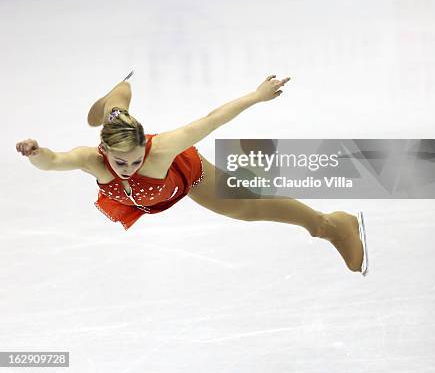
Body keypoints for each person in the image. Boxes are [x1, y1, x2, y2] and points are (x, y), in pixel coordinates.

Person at [16, 71, 368, 275]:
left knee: (246, 208)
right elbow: (54, 161)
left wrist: (257, 96)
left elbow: (212, 119)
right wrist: (35, 152)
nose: (128, 169)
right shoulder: (91, 159)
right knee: (116, 110)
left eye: (136, 160)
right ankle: (117, 94)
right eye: (120, 162)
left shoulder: (164, 148)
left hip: (186, 175)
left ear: (145, 147)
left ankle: (331, 225)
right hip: (136, 174)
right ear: (104, 150)